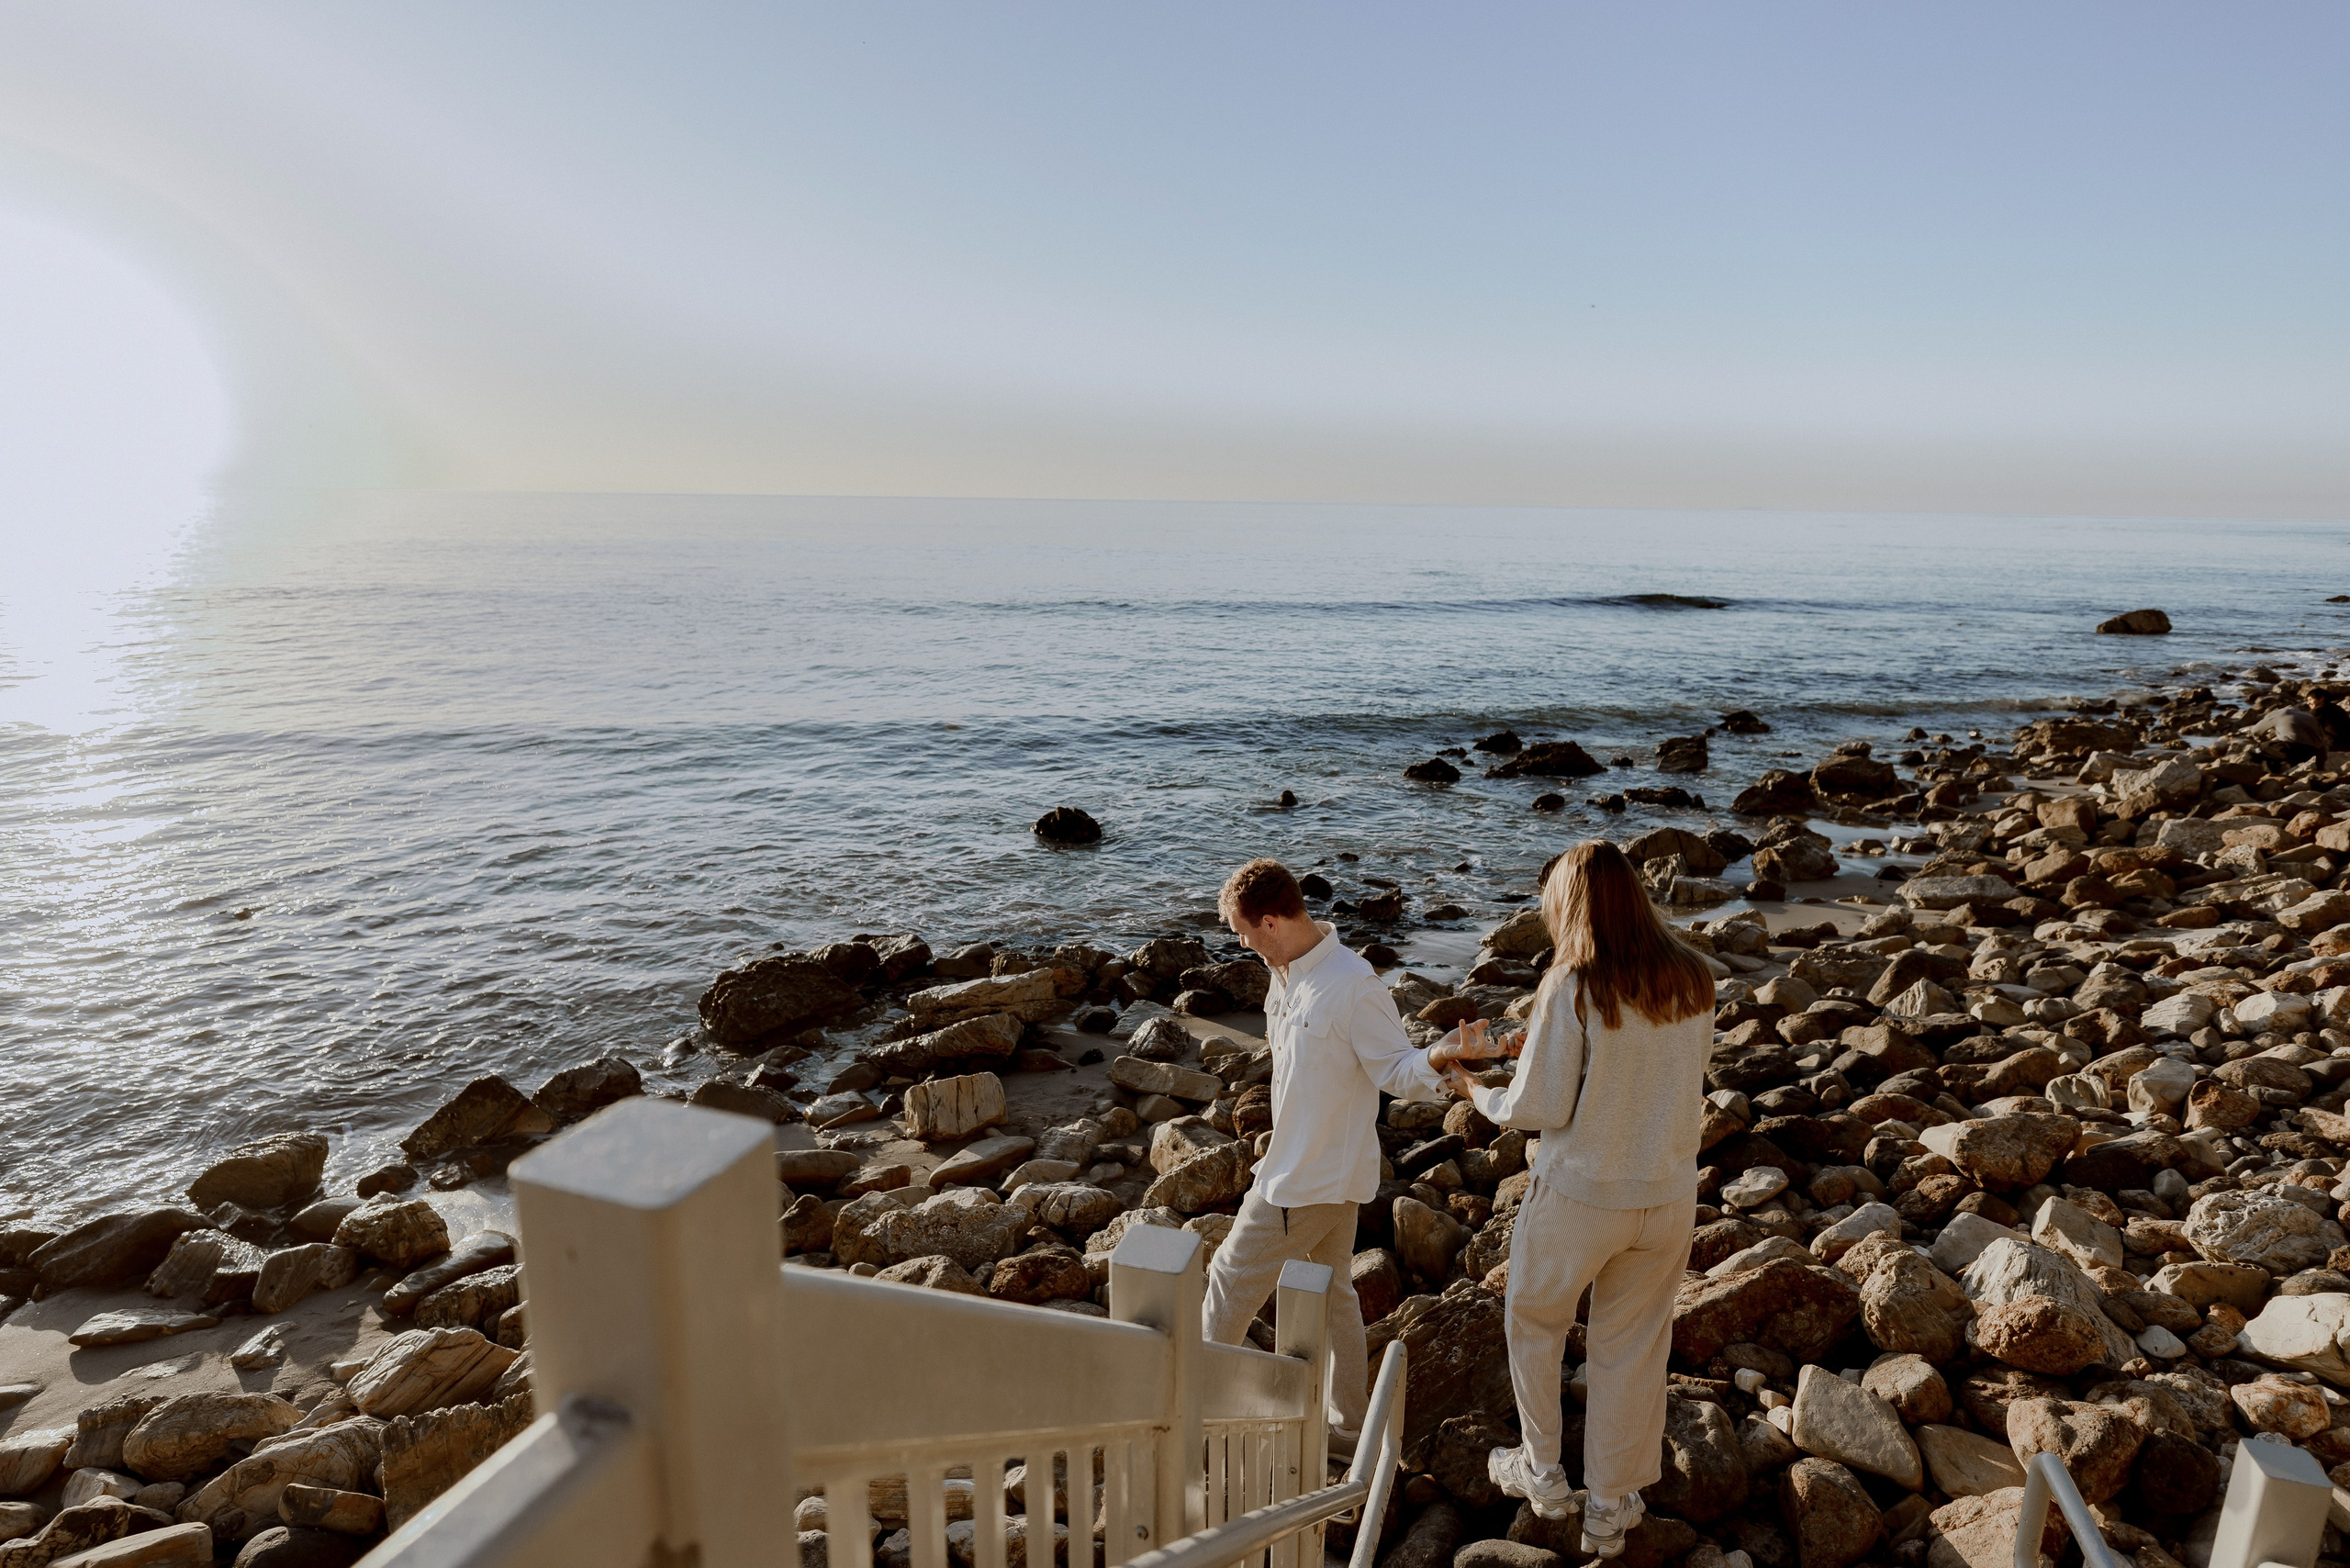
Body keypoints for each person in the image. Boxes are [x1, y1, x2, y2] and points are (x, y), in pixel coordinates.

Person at [1431, 840, 1715, 1558]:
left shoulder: (1574, 983)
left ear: (1572, 904)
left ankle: (1543, 1472)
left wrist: (1474, 1089)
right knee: (1632, 1346)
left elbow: (1541, 1106)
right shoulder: (1692, 977)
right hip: (1667, 1193)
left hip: (1583, 1195)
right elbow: (1655, 1073)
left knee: (1535, 1319)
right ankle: (1612, 1508)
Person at [1203, 857, 1483, 1450]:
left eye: (1243, 932)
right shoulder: (1286, 974)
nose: (1242, 944)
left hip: (1305, 1181)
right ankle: (1348, 1426)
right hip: (1309, 1168)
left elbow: (1394, 1068)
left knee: (1228, 1280)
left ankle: (1199, 1417)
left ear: (1273, 921)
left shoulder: (1352, 985)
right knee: (1333, 1296)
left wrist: (1439, 1059)